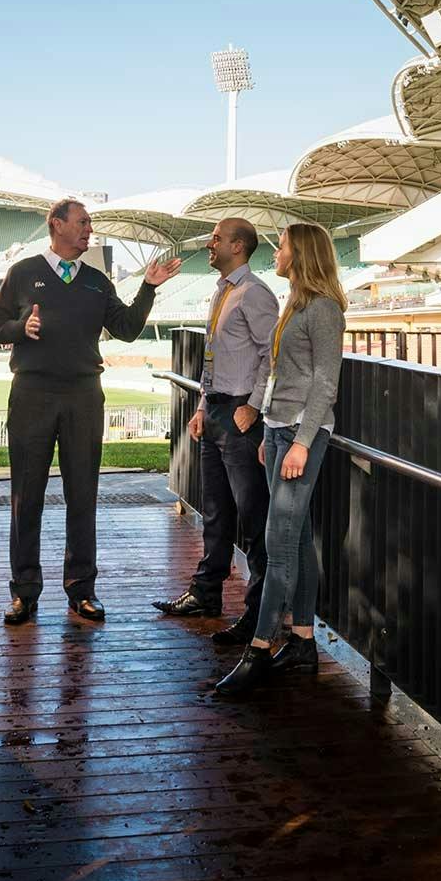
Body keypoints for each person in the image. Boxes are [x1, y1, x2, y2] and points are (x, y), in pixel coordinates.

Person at [0, 198, 182, 623]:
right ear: (57, 225)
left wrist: (147, 287)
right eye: (82, 222)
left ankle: (81, 590)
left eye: (90, 222)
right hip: (32, 395)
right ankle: (24, 592)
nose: (89, 229)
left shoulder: (97, 280)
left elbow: (127, 330)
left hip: (83, 396)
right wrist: (21, 329)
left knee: (82, 495)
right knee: (26, 497)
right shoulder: (23, 272)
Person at [214, 221, 345, 697]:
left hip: (301, 435)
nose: (277, 252)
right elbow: (282, 375)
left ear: (302, 254)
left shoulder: (325, 309)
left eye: (283, 246)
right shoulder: (295, 303)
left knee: (279, 541)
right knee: (299, 538)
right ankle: (304, 641)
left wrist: (304, 442)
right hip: (278, 430)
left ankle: (261, 647)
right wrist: (271, 429)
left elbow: (325, 384)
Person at [153, 217, 278, 644]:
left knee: (254, 518)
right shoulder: (222, 291)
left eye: (217, 238)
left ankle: (258, 613)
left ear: (238, 246)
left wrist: (253, 407)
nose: (210, 244)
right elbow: (212, 360)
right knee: (216, 511)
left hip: (242, 419)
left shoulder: (255, 294)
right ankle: (206, 594)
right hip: (216, 414)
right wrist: (203, 407)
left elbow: (270, 355)